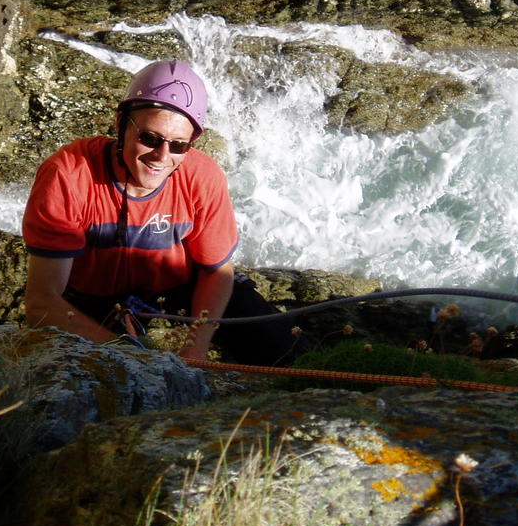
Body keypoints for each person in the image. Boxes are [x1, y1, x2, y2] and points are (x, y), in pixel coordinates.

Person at [21, 60, 312, 365]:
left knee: (290, 353)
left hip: (181, 291)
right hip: (93, 300)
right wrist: (125, 352)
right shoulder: (68, 175)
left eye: (178, 146)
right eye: (149, 138)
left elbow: (217, 271)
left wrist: (195, 346)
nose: (161, 157)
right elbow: (42, 302)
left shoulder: (202, 177)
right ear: (121, 123)